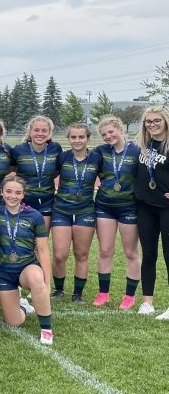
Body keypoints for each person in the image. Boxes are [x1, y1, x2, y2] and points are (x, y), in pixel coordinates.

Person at [0, 174, 54, 345]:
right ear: (1, 192)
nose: (12, 196)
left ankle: (47, 330)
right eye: (8, 191)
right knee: (14, 322)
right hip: (3, 273)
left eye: (18, 192)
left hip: (26, 267)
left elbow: (42, 250)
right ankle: (22, 306)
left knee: (37, 278)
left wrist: (47, 283)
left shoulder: (34, 215)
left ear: (23, 194)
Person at [92, 116, 141, 309]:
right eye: (104, 134)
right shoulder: (100, 151)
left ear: (120, 129)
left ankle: (129, 296)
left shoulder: (137, 151)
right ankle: (103, 293)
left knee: (130, 252)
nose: (107, 136)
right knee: (105, 251)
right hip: (105, 206)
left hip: (129, 207)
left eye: (111, 132)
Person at [50, 124, 100, 303]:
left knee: (81, 254)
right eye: (74, 137)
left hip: (85, 210)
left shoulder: (96, 158)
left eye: (81, 137)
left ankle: (78, 293)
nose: (77, 141)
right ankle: (58, 290)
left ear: (87, 138)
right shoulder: (62, 157)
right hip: (61, 210)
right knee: (59, 254)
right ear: (69, 139)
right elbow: (50, 175)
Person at [134, 106, 169, 318]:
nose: (152, 124)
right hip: (145, 206)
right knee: (148, 254)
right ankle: (147, 302)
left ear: (166, 121)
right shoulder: (143, 145)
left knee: (168, 255)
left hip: (166, 209)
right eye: (148, 121)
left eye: (157, 120)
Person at [11, 115, 62, 229]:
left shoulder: (56, 148)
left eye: (44, 130)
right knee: (24, 240)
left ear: (49, 133)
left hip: (47, 201)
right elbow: (11, 172)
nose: (40, 133)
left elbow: (57, 171)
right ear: (30, 131)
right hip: (23, 201)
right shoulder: (18, 150)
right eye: (36, 130)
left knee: (41, 241)